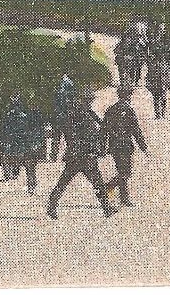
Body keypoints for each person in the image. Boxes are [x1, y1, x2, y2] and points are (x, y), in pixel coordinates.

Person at [46, 87, 115, 219]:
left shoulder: (86, 112)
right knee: (69, 181)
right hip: (81, 155)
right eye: (88, 100)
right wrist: (84, 148)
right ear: (83, 99)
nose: (90, 102)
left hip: (83, 155)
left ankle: (107, 208)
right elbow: (72, 134)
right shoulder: (77, 113)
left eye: (90, 100)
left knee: (92, 182)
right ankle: (51, 205)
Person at [100, 84, 148, 207]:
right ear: (128, 96)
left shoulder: (111, 109)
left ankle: (119, 196)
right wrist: (143, 147)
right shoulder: (128, 110)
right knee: (125, 172)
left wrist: (103, 146)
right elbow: (135, 130)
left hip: (114, 146)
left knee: (123, 171)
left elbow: (103, 129)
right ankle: (112, 191)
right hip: (125, 145)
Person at [0, 92, 46, 192]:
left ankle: (27, 181)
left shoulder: (11, 114)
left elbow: (5, 129)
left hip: (17, 143)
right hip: (24, 142)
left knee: (18, 160)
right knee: (28, 164)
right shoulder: (27, 114)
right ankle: (31, 183)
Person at [49, 73, 75, 161]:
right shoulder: (55, 83)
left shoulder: (68, 83)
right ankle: (53, 156)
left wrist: (70, 112)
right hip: (57, 114)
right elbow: (52, 100)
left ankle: (71, 154)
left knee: (68, 136)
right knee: (56, 136)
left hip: (66, 114)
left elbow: (72, 99)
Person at [145, 48, 170, 120]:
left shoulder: (164, 65)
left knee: (163, 99)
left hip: (162, 84)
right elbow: (149, 75)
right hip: (156, 84)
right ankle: (158, 114)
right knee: (157, 99)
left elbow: (168, 75)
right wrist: (148, 84)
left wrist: (169, 84)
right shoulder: (153, 65)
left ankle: (163, 113)